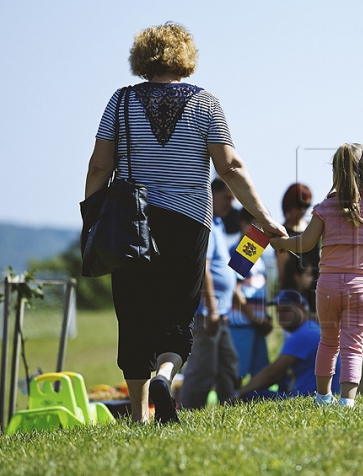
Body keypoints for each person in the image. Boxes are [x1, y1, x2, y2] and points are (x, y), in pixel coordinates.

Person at [83, 23, 285, 424]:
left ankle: (140, 413)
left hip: (130, 223)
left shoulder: (120, 102)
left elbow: (99, 166)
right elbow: (229, 166)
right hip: (189, 221)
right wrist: (263, 216)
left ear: (141, 57)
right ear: (185, 57)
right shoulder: (207, 104)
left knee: (134, 311)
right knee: (178, 311)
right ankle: (165, 374)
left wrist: (92, 219)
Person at [271, 142, 363, 408]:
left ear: (337, 172)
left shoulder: (325, 208)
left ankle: (323, 396)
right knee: (353, 346)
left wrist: (282, 244)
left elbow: (305, 243)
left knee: (328, 341)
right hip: (360, 289)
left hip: (327, 288)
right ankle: (347, 400)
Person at [178, 179, 239, 410]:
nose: (231, 204)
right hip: (208, 312)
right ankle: (187, 410)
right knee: (203, 368)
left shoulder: (219, 224)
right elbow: (203, 268)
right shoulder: (206, 224)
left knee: (228, 364)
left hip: (220, 313)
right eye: (227, 198)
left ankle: (229, 404)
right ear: (212, 193)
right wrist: (212, 309)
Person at [235, 278, 340, 401]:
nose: (281, 315)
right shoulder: (309, 329)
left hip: (307, 397)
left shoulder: (305, 334)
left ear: (302, 308)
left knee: (250, 396)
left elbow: (272, 373)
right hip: (312, 395)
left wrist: (238, 394)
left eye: (286, 310)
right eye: (278, 311)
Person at [227, 208, 273, 383]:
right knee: (237, 373)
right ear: (243, 224)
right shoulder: (245, 249)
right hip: (242, 324)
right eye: (256, 225)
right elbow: (234, 291)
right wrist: (256, 318)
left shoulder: (257, 252)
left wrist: (265, 317)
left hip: (256, 324)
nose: (260, 230)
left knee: (259, 372)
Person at [275, 183, 321, 316]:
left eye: (306, 206)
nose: (302, 210)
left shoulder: (312, 227)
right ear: (288, 204)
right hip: (296, 297)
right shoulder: (282, 233)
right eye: (298, 205)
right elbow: (283, 273)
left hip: (318, 292)